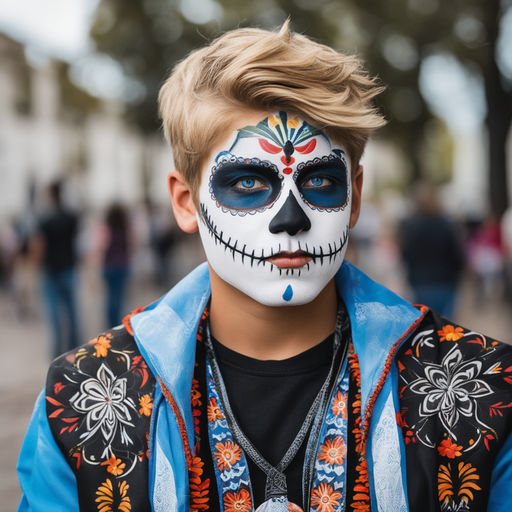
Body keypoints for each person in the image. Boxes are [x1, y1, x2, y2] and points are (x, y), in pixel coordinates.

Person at [17, 22, 512, 512]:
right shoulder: (82, 402)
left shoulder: (486, 395)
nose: (291, 221)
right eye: (249, 184)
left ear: (355, 197)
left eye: (320, 182)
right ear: (186, 203)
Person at [30, 180, 80, 358]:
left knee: (54, 316)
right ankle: (76, 348)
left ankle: (57, 353)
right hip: (69, 267)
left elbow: (39, 246)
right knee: (72, 312)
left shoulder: (45, 219)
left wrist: (34, 267)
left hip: (51, 270)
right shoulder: (71, 216)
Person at [400, 182, 465, 317]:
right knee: (445, 328)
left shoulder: (411, 226)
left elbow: (406, 254)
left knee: (426, 327)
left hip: (420, 282)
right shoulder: (447, 225)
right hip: (445, 281)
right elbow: (456, 254)